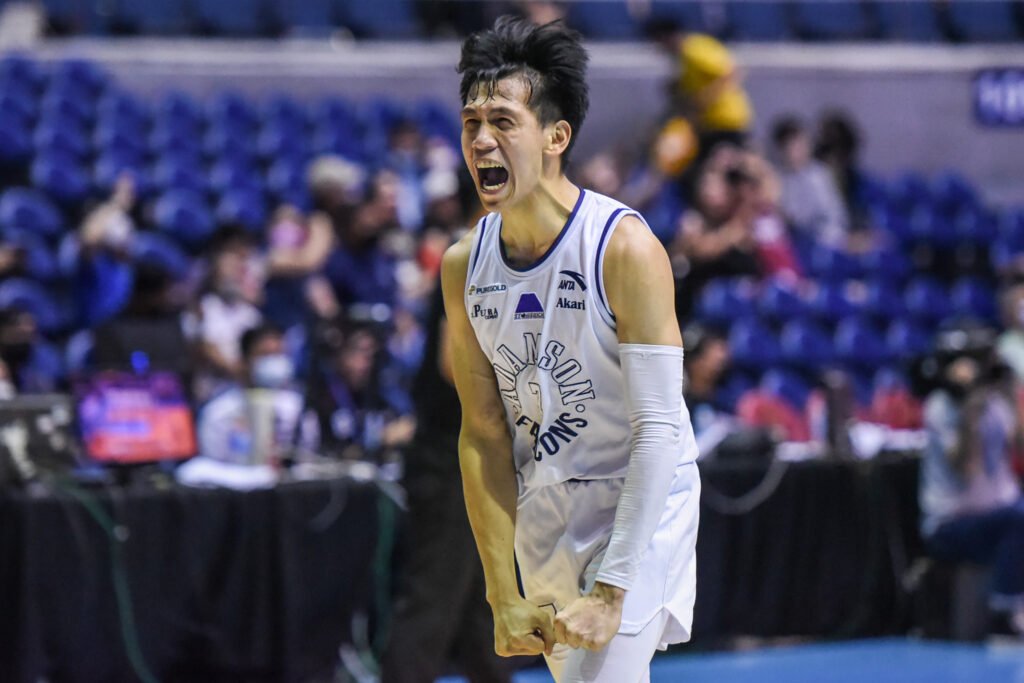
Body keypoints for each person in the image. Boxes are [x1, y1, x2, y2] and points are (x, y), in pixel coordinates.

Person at [441, 17, 700, 681]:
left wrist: (614, 588)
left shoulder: (624, 247)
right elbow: (482, 434)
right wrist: (501, 593)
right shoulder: (463, 264)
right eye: (471, 123)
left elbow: (660, 428)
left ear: (557, 137)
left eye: (502, 119)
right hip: (549, 500)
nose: (481, 139)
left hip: (640, 495)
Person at [380, 282, 515, 683]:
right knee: (434, 598)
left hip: (490, 458)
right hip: (450, 458)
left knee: (486, 602)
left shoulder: (516, 265)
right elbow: (451, 366)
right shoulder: (470, 261)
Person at [917, 323, 1024, 636]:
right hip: (952, 523)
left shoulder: (997, 401)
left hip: (1000, 508)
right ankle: (1003, 614)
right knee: (1019, 521)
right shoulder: (940, 406)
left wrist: (1012, 396)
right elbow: (966, 469)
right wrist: (969, 413)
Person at [196, 323, 318, 466]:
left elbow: (307, 459)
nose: (274, 362)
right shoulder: (218, 413)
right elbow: (211, 468)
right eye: (265, 355)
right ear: (244, 361)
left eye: (279, 354)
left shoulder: (298, 408)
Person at [771, 115, 850, 248]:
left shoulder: (819, 174)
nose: (801, 149)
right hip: (793, 243)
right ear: (782, 149)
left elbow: (836, 216)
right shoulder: (775, 177)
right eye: (794, 146)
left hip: (825, 239)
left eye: (804, 143)